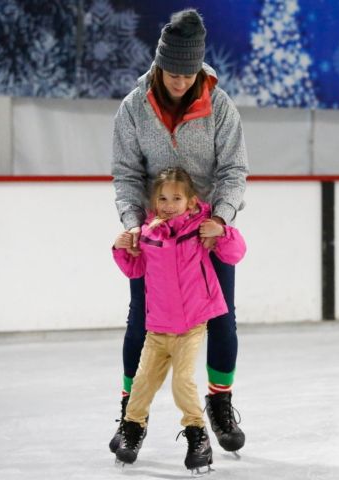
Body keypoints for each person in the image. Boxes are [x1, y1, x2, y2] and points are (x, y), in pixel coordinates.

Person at [110, 8, 249, 455]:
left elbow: (233, 170)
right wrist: (133, 225)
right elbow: (127, 173)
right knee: (142, 323)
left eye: (188, 72)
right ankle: (133, 416)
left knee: (222, 319)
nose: (180, 80)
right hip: (154, 239)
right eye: (173, 70)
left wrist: (221, 219)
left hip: (205, 235)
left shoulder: (220, 106)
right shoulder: (133, 109)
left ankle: (220, 403)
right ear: (160, 62)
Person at [112, 167, 246, 472]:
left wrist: (222, 231)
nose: (169, 204)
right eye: (162, 198)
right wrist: (122, 250)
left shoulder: (201, 229)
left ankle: (197, 435)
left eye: (176, 197)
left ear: (191, 201)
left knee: (182, 383)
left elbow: (235, 253)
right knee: (143, 383)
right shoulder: (148, 234)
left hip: (191, 326)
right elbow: (135, 270)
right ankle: (131, 429)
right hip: (158, 327)